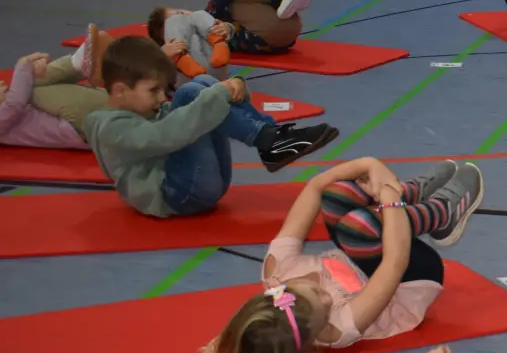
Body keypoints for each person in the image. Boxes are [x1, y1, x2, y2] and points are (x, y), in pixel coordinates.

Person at [205, 157, 484, 353]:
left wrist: (368, 165)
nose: (328, 298)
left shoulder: (277, 270)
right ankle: (441, 212)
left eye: (317, 292)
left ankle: (413, 193)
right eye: (324, 308)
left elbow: (315, 188)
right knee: (359, 228)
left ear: (280, 291)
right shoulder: (339, 328)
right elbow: (395, 262)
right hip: (411, 277)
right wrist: (389, 198)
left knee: (337, 192)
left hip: (364, 255)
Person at [82, 37, 337, 218]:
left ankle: (269, 139)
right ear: (120, 91)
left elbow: (180, 119)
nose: (161, 98)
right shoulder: (110, 128)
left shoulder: (141, 108)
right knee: (191, 94)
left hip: (196, 186)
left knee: (200, 84)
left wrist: (233, 87)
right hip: (177, 196)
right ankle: (268, 141)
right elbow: (164, 136)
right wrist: (217, 95)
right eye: (153, 90)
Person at [146, 7, 231, 80]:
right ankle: (181, 57)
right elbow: (147, 71)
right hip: (195, 76)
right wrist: (163, 55)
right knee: (176, 21)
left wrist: (226, 28)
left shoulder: (197, 22)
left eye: (181, 12)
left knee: (199, 14)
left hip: (218, 64)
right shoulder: (166, 56)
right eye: (179, 17)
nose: (183, 17)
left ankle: (218, 40)